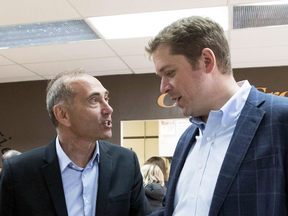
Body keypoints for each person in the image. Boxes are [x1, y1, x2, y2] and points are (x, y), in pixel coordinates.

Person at [145, 16, 288, 216]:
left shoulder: (281, 118)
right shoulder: (186, 139)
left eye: (169, 72)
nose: (163, 88)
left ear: (207, 61)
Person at [0, 69, 151, 216]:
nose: (108, 109)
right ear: (63, 114)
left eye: (106, 99)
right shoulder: (19, 172)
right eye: (94, 100)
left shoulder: (125, 162)